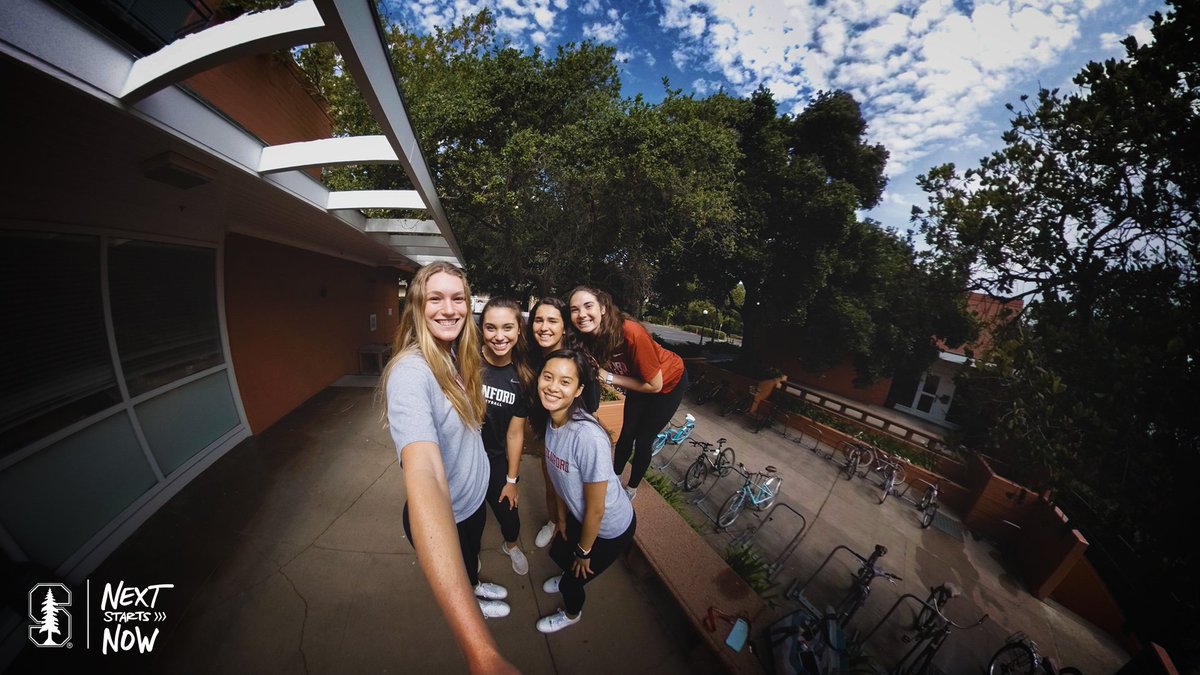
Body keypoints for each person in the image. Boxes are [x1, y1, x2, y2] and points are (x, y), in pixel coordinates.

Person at [382, 262, 518, 675]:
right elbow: (424, 469)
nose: (449, 308)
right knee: (460, 560)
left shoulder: (455, 353)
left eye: (457, 298)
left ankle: (475, 584)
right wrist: (482, 654)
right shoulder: (411, 372)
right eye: (435, 298)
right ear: (416, 306)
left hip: (473, 501)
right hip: (448, 512)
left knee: (472, 557)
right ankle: (472, 597)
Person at [535, 349, 637, 633]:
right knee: (560, 552)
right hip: (582, 517)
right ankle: (569, 572)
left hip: (610, 528)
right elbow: (558, 477)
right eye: (547, 377)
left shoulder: (587, 437)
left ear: (579, 389)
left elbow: (597, 508)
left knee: (572, 582)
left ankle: (571, 614)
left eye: (565, 382)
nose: (553, 387)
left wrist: (584, 551)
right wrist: (561, 518)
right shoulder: (553, 418)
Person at [569, 286, 688, 501]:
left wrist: (608, 377)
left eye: (588, 306)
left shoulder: (631, 332)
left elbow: (655, 385)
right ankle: (613, 479)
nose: (582, 314)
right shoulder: (587, 337)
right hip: (638, 382)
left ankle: (631, 489)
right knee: (626, 434)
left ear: (603, 308)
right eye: (574, 309)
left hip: (667, 383)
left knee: (643, 439)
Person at [526, 297, 600, 549]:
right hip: (547, 433)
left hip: (574, 437)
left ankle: (581, 534)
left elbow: (592, 405)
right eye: (538, 320)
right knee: (552, 484)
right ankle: (554, 522)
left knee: (577, 490)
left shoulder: (578, 360)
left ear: (564, 327)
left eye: (552, 321)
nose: (544, 327)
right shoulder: (532, 357)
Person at [479, 297, 534, 576]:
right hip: (464, 458)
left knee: (509, 517)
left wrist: (512, 481)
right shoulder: (466, 363)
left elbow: (515, 433)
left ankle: (511, 546)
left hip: (497, 459)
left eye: (507, 328)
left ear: (519, 330)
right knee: (468, 518)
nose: (499, 336)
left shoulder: (523, 377)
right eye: (491, 328)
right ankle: (469, 552)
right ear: (482, 329)